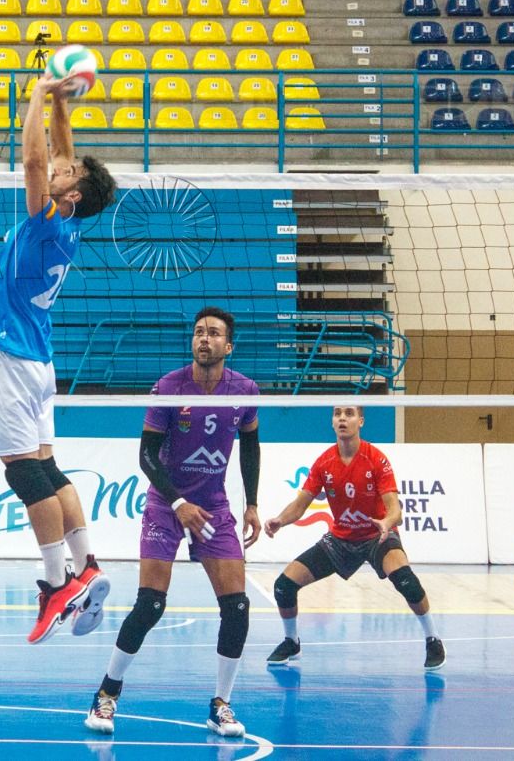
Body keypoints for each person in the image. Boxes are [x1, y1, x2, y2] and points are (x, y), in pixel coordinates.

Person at [0, 73, 118, 644]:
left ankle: (57, 582)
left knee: (22, 470)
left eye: (69, 173)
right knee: (48, 467)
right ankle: (87, 565)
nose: (61, 164)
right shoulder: (68, 228)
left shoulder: (46, 223)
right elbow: (60, 153)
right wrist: (61, 100)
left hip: (9, 359)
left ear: (70, 194)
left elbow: (36, 162)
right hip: (39, 361)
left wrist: (34, 96)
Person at [84, 306, 261, 740]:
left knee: (237, 607)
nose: (204, 339)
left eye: (214, 333)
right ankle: (107, 693)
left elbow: (251, 448)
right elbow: (146, 455)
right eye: (199, 332)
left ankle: (221, 704)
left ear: (228, 345)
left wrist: (252, 504)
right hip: (167, 503)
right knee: (151, 605)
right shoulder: (168, 387)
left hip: (214, 506)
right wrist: (178, 500)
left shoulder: (245, 390)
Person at [263, 404, 445, 673]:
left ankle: (433, 638)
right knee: (283, 586)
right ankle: (292, 641)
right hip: (340, 540)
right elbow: (300, 505)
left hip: (377, 535)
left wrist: (387, 522)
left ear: (361, 421)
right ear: (332, 421)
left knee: (407, 581)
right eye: (337, 414)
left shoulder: (376, 459)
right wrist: (280, 520)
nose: (342, 419)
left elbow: (395, 508)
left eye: (349, 414)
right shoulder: (324, 462)